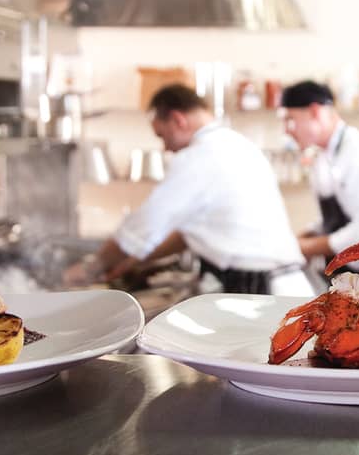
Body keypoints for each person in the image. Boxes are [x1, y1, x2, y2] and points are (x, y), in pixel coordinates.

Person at [64, 84, 313, 296]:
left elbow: (144, 225)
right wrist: (134, 262)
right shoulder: (235, 144)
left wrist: (90, 269)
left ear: (177, 120)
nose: (166, 148)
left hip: (261, 291)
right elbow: (187, 233)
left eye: (162, 136)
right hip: (280, 285)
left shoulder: (199, 157)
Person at [279, 80, 359, 264]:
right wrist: (298, 240)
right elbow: (331, 222)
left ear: (315, 112)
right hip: (346, 268)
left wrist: (305, 247)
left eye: (290, 120)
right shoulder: (322, 157)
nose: (287, 130)